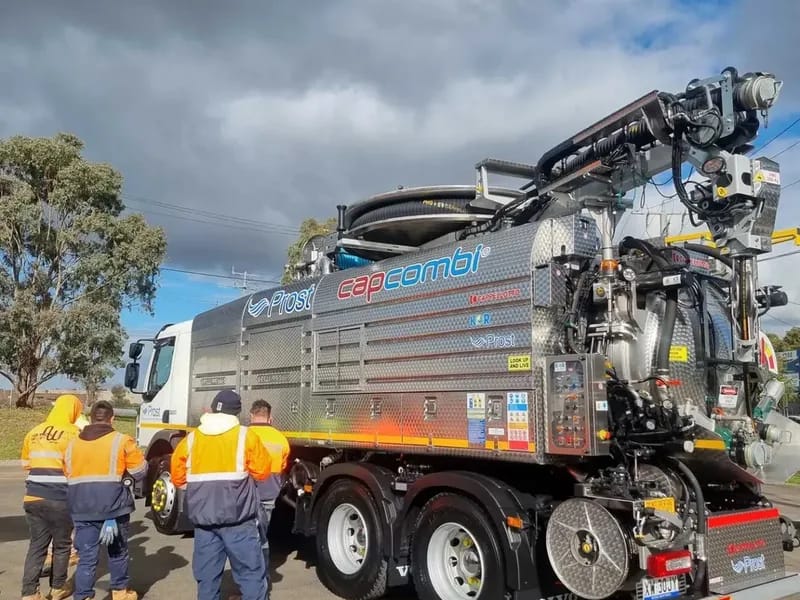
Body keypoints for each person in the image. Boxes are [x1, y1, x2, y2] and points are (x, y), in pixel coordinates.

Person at [171, 390, 271, 600]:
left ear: (213, 408)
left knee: (207, 580)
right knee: (251, 576)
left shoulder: (191, 439)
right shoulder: (245, 436)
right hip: (239, 523)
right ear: (237, 412)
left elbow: (178, 478)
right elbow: (262, 472)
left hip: (204, 524)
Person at [65, 400, 147, 600]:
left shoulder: (72, 444)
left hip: (82, 508)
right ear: (112, 419)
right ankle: (120, 592)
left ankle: (83, 596)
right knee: (117, 552)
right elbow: (140, 471)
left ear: (90, 418)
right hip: (114, 508)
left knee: (87, 556)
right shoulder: (122, 441)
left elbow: (67, 473)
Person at [20, 394, 84, 600]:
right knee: (62, 545)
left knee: (36, 546)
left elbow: (26, 464)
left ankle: (30, 592)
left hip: (33, 497)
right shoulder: (74, 434)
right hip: (60, 498)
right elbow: (77, 467)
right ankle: (57, 587)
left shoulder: (34, 432)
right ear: (73, 411)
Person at [248, 400, 290, 586]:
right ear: (270, 417)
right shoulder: (280, 439)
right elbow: (282, 465)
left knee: (247, 540)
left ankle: (250, 584)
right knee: (262, 537)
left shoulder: (245, 435)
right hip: (269, 494)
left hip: (247, 496)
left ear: (251, 415)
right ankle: (263, 579)